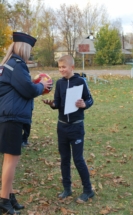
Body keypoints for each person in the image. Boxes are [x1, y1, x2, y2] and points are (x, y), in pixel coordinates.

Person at [0, 32, 51, 214]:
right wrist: (42, 86)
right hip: (12, 118)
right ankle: (4, 200)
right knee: (11, 161)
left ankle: (10, 196)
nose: (29, 54)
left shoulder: (8, 64)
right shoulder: (17, 65)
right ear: (24, 48)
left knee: (10, 160)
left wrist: (34, 84)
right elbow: (28, 90)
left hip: (8, 117)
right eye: (29, 50)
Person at [43, 55, 94, 203]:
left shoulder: (80, 81)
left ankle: (88, 190)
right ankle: (67, 188)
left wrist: (84, 104)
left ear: (72, 67)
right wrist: (52, 104)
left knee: (78, 159)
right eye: (59, 67)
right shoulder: (59, 83)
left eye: (63, 67)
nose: (61, 70)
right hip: (62, 127)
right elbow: (57, 103)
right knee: (64, 159)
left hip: (76, 126)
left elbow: (90, 99)